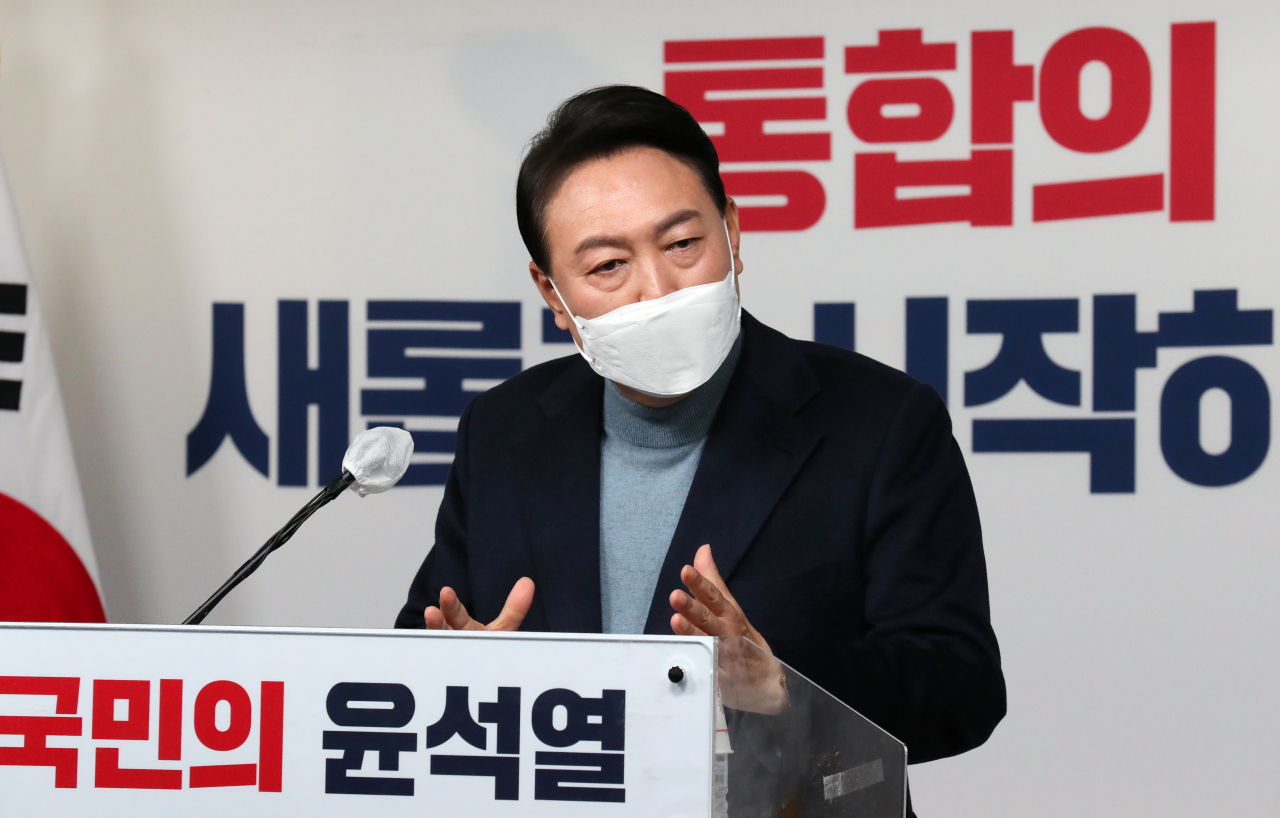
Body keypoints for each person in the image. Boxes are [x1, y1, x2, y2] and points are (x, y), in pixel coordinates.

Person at [396, 85, 1005, 770]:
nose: (657, 288)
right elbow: (434, 643)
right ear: (553, 295)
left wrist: (778, 685)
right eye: (608, 266)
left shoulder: (881, 422)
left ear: (733, 233)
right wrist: (462, 683)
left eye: (684, 243)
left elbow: (961, 685)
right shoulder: (504, 429)